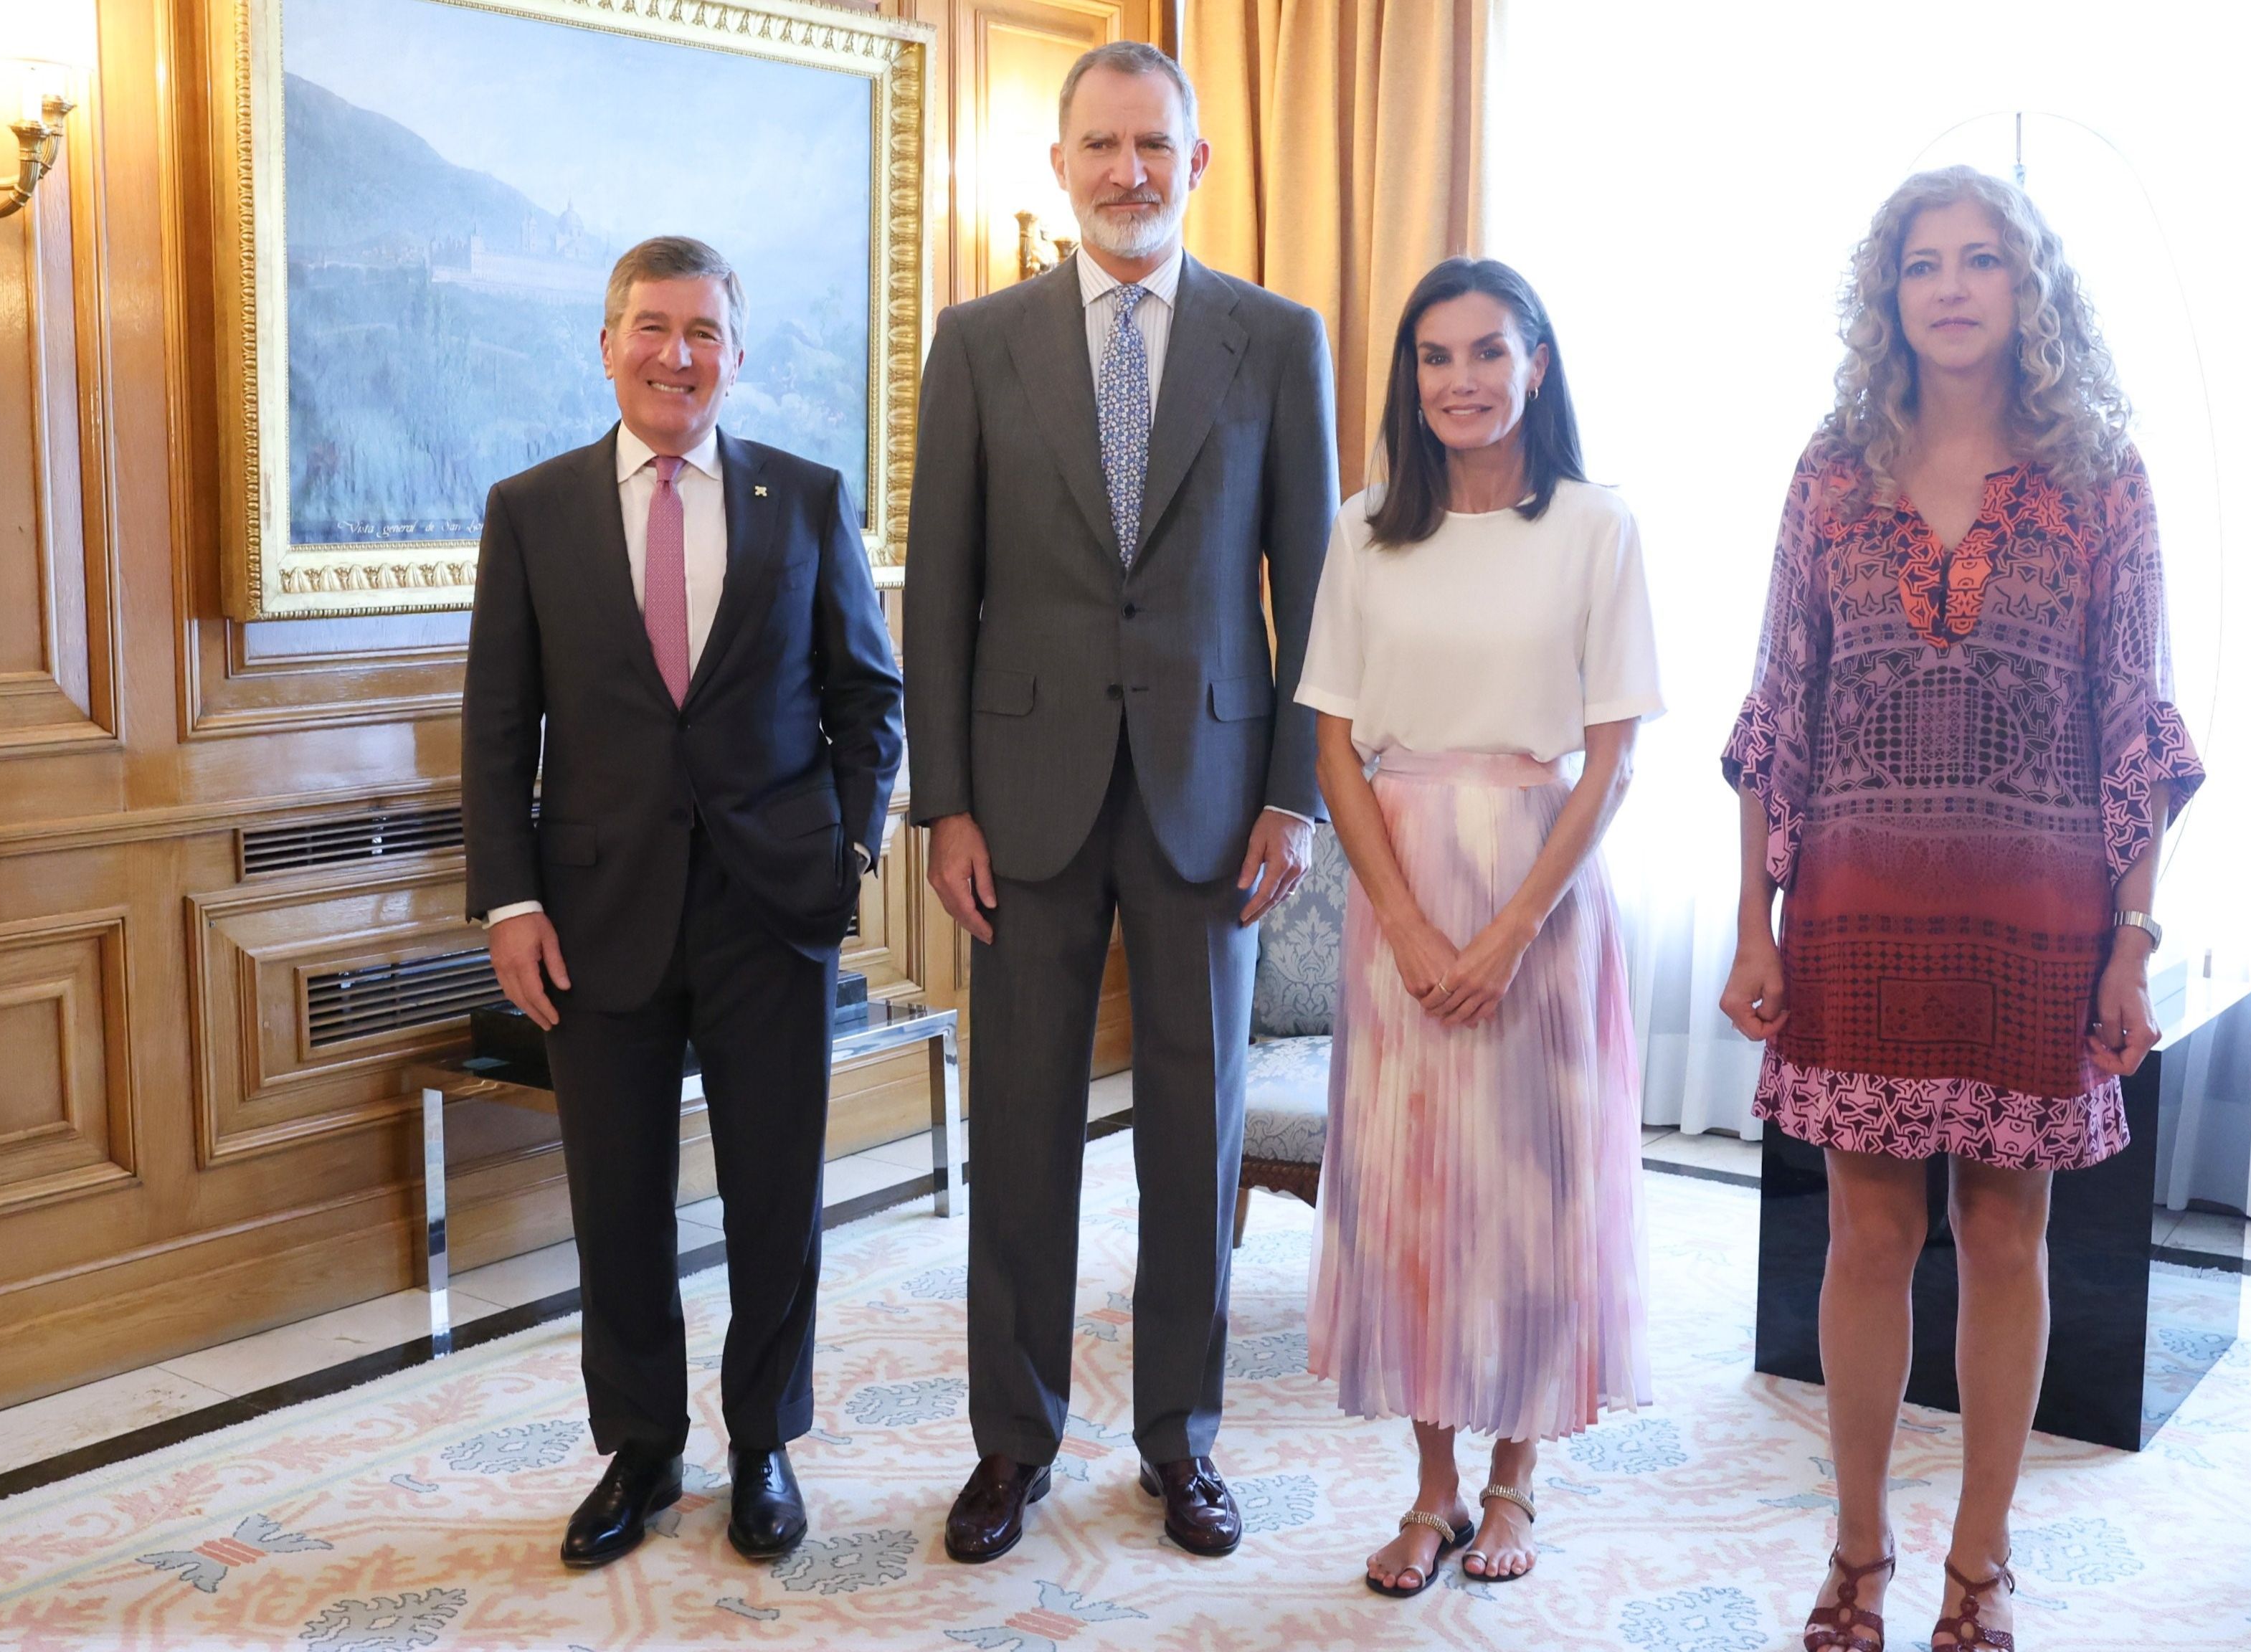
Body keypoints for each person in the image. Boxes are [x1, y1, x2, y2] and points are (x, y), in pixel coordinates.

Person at [1717, 166, 2204, 1651]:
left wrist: (2132, 938)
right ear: (1886, 295)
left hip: (2038, 924)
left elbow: (2135, 721)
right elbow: (1773, 716)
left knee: (2006, 1238)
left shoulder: (2103, 476)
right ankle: (1855, 1550)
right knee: (1863, 1242)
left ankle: (1978, 1562)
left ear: (2026, 288)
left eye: (1979, 260)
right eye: (1920, 262)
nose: (1947, 285)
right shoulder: (1826, 470)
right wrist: (1752, 921)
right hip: (1854, 915)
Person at [901, 42, 1338, 1565]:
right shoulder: (976, 342)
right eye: (1099, 144)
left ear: (1196, 163)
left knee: (1192, 1134)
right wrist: (942, 804)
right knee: (1017, 1137)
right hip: (1015, 804)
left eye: (1153, 144)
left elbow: (1313, 598)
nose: (1126, 171)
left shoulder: (1277, 342)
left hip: (1212, 803)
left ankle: (1182, 1441)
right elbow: (939, 590)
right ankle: (1010, 1447)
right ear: (1060, 166)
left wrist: (1292, 798)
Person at [463, 235, 904, 1571]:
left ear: (737, 353)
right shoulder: (531, 509)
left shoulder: (808, 499)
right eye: (652, 327)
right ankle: (642, 1450)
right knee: (619, 1197)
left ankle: (763, 1440)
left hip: (773, 907)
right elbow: (498, 729)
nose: (677, 354)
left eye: (704, 330)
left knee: (777, 1190)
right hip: (595, 919)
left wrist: (851, 859)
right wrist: (508, 904)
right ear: (606, 345)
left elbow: (865, 699)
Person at [1298, 258, 1660, 1596]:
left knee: (1531, 1192)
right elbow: (1333, 747)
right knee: (1413, 1196)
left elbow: (1614, 758)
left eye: (1488, 353)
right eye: (1436, 357)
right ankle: (1434, 1490)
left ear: (1538, 366)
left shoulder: (1594, 528)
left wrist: (1509, 933)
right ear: (1413, 379)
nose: (1461, 380)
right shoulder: (1363, 532)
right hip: (1398, 889)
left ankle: (1514, 1483)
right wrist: (1402, 923)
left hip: (1542, 891)